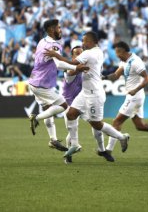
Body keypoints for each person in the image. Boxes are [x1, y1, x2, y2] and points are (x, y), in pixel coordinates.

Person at [45, 31, 130, 161]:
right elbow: (73, 68)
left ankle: (122, 137)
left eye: (84, 41)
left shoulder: (89, 53)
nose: (83, 43)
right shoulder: (98, 51)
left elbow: (72, 63)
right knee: (71, 114)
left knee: (96, 125)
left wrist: (55, 56)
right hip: (85, 93)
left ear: (90, 42)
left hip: (94, 94)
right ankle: (74, 144)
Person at [102, 41, 148, 158]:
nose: (116, 55)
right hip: (134, 96)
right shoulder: (124, 61)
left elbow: (147, 79)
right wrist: (104, 77)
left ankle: (108, 151)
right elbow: (116, 75)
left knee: (117, 122)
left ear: (123, 51)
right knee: (140, 126)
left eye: (117, 52)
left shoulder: (136, 62)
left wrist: (135, 90)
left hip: (134, 96)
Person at [28, 19, 89, 152]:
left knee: (48, 109)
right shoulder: (55, 45)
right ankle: (35, 118)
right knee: (63, 106)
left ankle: (53, 140)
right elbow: (60, 65)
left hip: (33, 81)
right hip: (42, 84)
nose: (61, 30)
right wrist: (76, 66)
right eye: (59, 28)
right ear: (51, 29)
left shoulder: (42, 41)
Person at [62, 45, 114, 163]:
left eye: (81, 53)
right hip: (71, 103)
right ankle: (69, 153)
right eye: (77, 53)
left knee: (96, 125)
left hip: (86, 100)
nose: (80, 55)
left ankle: (102, 150)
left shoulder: (88, 66)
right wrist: (78, 68)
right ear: (73, 56)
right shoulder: (69, 69)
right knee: (72, 131)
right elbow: (70, 73)